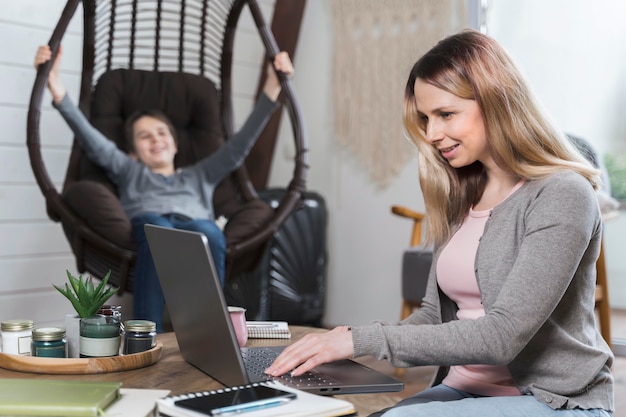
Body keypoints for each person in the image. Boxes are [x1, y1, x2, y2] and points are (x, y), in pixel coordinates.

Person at [265, 30, 614, 416]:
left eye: (446, 114)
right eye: (425, 118)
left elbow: (503, 336)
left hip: (553, 400)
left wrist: (359, 341)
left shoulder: (561, 194)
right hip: (464, 391)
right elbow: (433, 315)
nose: (431, 134)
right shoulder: (462, 194)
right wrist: (341, 340)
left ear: (496, 100)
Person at [35, 45, 294, 333]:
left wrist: (272, 85)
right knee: (155, 225)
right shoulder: (129, 170)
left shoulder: (201, 174)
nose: (155, 139)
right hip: (150, 229)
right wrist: (54, 84)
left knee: (209, 231)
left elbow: (240, 145)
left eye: (162, 133)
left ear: (176, 143)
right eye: (144, 136)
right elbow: (90, 138)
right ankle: (146, 334)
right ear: (133, 152)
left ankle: (210, 332)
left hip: (197, 233)